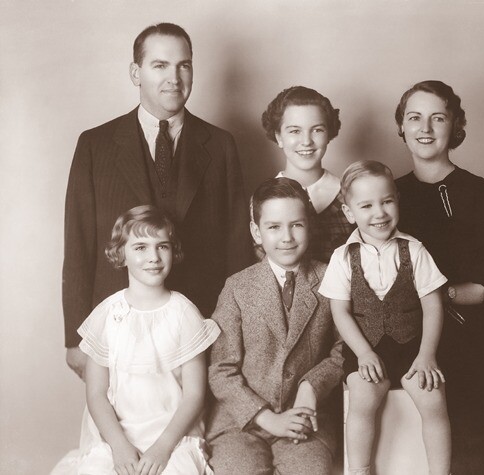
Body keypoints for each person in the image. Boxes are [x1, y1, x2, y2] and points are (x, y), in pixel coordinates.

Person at [63, 23, 252, 380]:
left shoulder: (221, 144)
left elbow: (237, 244)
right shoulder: (95, 145)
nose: (175, 78)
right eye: (160, 65)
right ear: (136, 72)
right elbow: (78, 242)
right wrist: (76, 335)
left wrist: (233, 327)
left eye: (184, 65)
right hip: (119, 326)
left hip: (201, 324)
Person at [394, 80, 484, 472]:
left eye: (438, 117)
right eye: (414, 117)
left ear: (455, 126)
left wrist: (441, 295)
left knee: (473, 460)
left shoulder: (482, 194)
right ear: (401, 126)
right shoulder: (390, 196)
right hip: (406, 351)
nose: (426, 128)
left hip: (470, 351)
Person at [52, 205, 220, 475]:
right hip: (118, 437)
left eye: (162, 246)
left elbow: (194, 394)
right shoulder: (107, 313)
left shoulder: (184, 313)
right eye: (140, 247)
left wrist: (163, 447)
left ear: (173, 252)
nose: (153, 256)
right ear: (122, 254)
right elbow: (96, 394)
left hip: (172, 437)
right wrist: (118, 446)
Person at [320, 160, 451, 475]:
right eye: (366, 205)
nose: (378, 213)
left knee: (433, 400)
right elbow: (339, 310)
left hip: (412, 347)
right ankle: (360, 470)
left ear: (397, 201)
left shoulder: (415, 250)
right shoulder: (342, 257)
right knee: (362, 400)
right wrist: (363, 353)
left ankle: (441, 471)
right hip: (366, 348)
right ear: (350, 212)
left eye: (387, 201)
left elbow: (433, 306)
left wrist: (427, 355)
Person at [206, 177, 344, 475]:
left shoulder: (332, 279)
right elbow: (221, 370)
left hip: (306, 419)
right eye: (273, 227)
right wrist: (266, 418)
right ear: (256, 232)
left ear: (310, 225)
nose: (287, 237)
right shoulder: (237, 287)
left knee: (311, 470)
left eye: (297, 224)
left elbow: (344, 349)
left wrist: (311, 386)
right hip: (240, 423)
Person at [261, 86, 354, 263]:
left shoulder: (349, 196)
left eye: (317, 130)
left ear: (329, 135)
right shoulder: (262, 201)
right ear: (279, 137)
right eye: (295, 131)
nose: (306, 141)